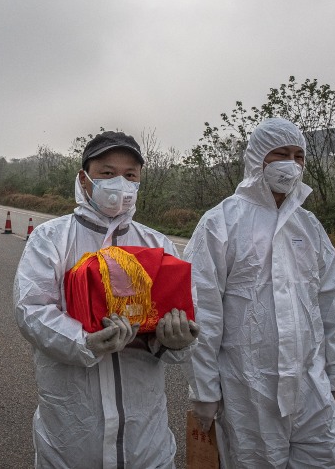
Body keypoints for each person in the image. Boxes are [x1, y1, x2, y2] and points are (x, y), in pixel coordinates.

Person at [14, 130, 200, 469]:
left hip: (145, 435)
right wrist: (84, 341)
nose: (120, 183)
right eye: (107, 172)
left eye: (130, 175)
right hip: (72, 431)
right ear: (84, 179)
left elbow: (183, 315)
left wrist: (176, 341)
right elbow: (32, 310)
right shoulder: (51, 238)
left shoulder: (158, 245)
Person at [184, 117, 335, 468]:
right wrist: (205, 390)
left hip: (310, 386)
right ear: (257, 158)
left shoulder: (308, 226)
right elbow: (203, 312)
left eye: (298, 156)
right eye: (281, 154)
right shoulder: (221, 222)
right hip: (249, 391)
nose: (291, 164)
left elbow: (330, 309)